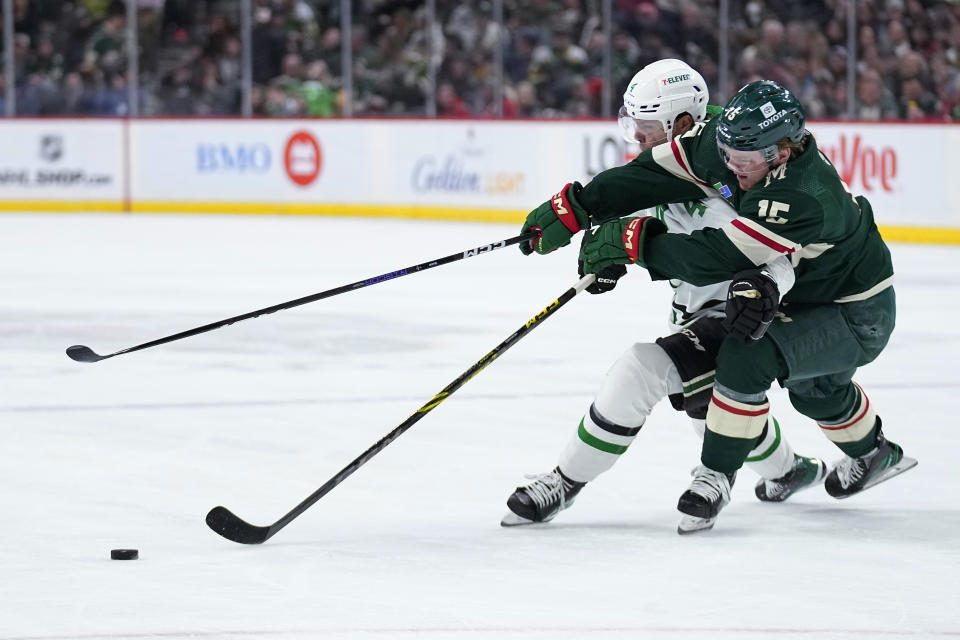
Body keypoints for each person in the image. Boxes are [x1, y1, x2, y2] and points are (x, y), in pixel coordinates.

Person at [517, 78, 917, 533]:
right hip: (788, 299)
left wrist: (634, 246)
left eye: (648, 125)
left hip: (848, 307)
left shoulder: (796, 196)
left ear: (780, 153)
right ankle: (829, 462)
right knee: (813, 393)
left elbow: (732, 257)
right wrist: (580, 208)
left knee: (724, 369)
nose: (729, 168)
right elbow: (647, 178)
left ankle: (690, 477)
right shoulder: (727, 144)